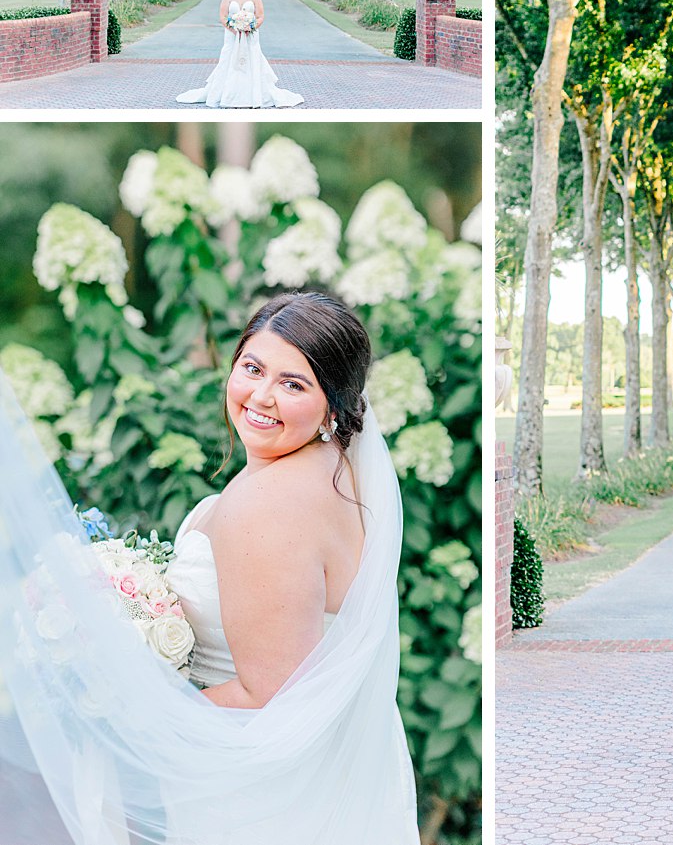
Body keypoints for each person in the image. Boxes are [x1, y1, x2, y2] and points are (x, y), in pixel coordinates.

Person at [0, 292, 417, 844]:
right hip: (337, 768)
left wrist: (125, 709)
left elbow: (268, 693)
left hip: (266, 799)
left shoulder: (267, 504)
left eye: (294, 384)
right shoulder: (335, 474)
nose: (261, 396)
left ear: (332, 407)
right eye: (253, 368)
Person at [176, 0, 304, 109]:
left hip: (251, 35)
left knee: (251, 59)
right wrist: (234, 29)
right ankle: (226, 95)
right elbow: (223, 17)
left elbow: (260, 16)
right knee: (229, 59)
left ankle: (254, 97)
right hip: (232, 35)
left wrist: (250, 27)